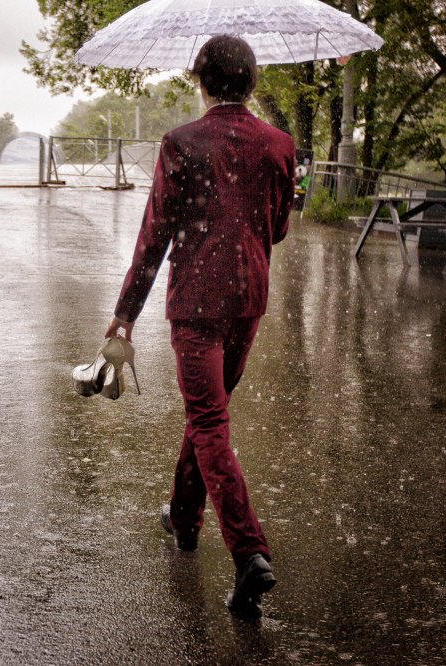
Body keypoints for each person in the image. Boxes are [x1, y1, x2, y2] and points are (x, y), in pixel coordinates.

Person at [102, 35, 295, 619]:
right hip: (248, 299)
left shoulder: (182, 142)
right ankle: (185, 520)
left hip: (196, 303)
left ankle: (249, 551)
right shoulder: (279, 145)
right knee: (207, 413)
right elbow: (278, 227)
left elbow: (155, 234)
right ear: (253, 83)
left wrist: (126, 312)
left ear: (201, 81)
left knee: (209, 419)